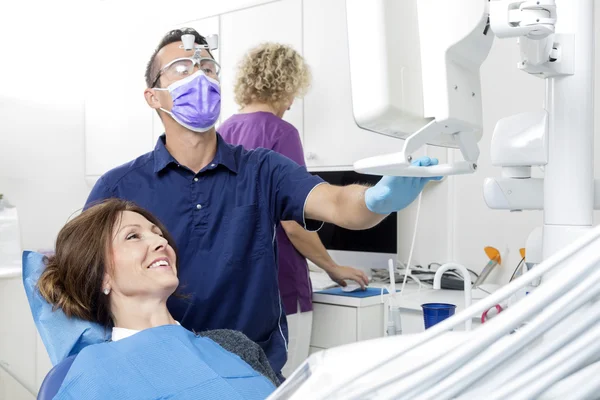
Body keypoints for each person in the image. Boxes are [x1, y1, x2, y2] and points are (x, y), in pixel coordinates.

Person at [85, 27, 440, 379]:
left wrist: (379, 198)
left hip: (253, 371)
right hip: (164, 370)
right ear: (154, 97)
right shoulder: (119, 187)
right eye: (182, 68)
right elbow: (80, 275)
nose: (199, 77)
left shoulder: (261, 169)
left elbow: (337, 203)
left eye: (208, 68)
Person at [219, 42, 369, 376]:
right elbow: (293, 224)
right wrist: (333, 267)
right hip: (280, 287)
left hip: (235, 290)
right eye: (292, 96)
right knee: (290, 385)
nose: (290, 104)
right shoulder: (280, 132)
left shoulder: (220, 134)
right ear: (285, 86)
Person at [37, 199, 278, 399]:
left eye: (158, 234)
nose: (161, 242)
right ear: (101, 277)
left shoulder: (233, 345)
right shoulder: (90, 377)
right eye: (133, 236)